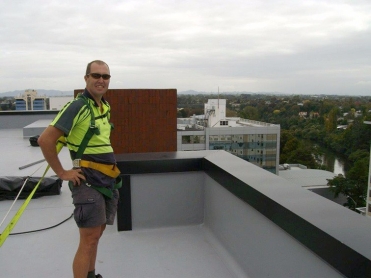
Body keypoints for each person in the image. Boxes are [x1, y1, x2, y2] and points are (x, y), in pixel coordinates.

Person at [38, 60, 120, 278]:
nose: (101, 80)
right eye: (96, 75)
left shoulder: (104, 105)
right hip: (88, 180)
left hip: (107, 179)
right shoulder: (78, 106)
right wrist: (62, 173)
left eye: (106, 76)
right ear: (86, 79)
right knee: (88, 238)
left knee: (97, 234)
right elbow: (45, 140)